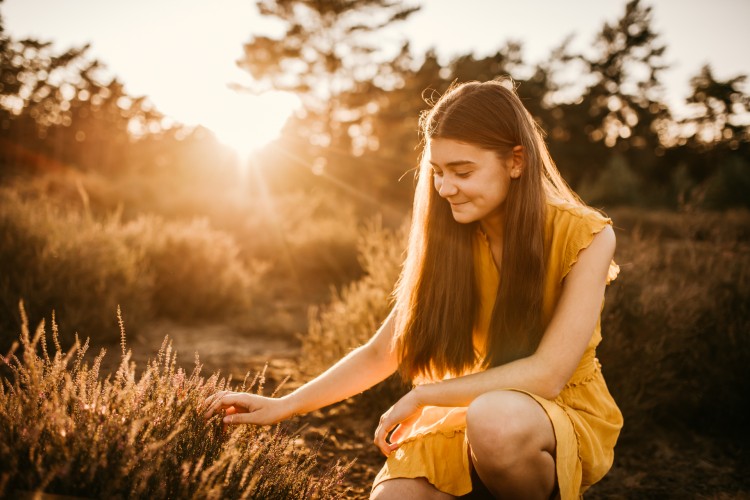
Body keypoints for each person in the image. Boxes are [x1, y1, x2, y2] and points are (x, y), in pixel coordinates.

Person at [202, 78, 623, 499]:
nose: (445, 188)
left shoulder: (585, 234)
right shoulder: (449, 235)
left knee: (496, 421)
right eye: (438, 172)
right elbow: (382, 352)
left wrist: (425, 395)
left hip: (550, 414)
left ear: (516, 161)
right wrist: (285, 405)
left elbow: (548, 375)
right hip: (467, 411)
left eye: (463, 171)